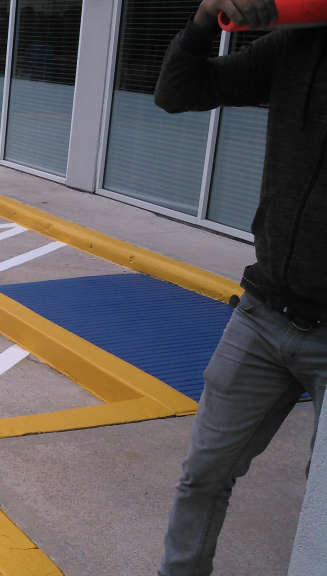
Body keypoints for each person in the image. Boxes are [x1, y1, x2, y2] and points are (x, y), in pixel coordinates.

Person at [154, 0, 327, 574]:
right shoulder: (296, 45)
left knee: (321, 513)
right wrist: (205, 21)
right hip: (263, 312)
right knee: (203, 473)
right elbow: (179, 91)